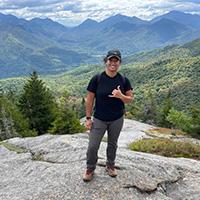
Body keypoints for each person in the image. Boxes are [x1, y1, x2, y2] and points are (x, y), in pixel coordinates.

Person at [83, 49, 133, 182]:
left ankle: (110, 165)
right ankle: (90, 168)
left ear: (120, 63)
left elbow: (129, 99)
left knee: (112, 144)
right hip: (99, 118)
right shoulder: (97, 79)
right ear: (106, 61)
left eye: (116, 61)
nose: (113, 63)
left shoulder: (123, 80)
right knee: (93, 145)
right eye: (111, 60)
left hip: (117, 118)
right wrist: (88, 118)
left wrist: (120, 96)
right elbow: (89, 99)